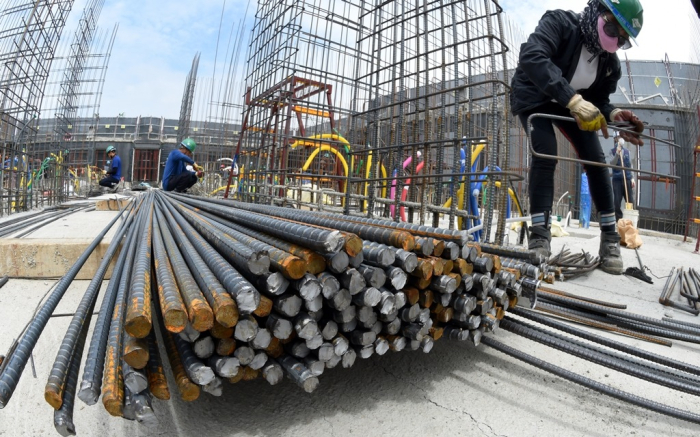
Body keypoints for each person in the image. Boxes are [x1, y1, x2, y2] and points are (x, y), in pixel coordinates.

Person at [510, 0, 645, 275]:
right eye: (611, 27)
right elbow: (532, 56)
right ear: (596, 11)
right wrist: (571, 99)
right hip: (535, 95)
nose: (614, 40)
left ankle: (609, 239)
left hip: (571, 104)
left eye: (622, 39)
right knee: (545, 149)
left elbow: (598, 102)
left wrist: (614, 114)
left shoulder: (609, 64)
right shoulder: (560, 24)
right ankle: (539, 236)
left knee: (596, 160)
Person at [610, 136, 635, 222]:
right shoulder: (612, 151)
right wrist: (617, 154)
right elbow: (612, 164)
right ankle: (619, 220)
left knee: (630, 201)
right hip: (617, 180)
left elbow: (630, 166)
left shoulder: (627, 152)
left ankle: (629, 221)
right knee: (617, 202)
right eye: (618, 138)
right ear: (615, 140)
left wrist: (632, 178)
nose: (620, 140)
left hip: (627, 179)